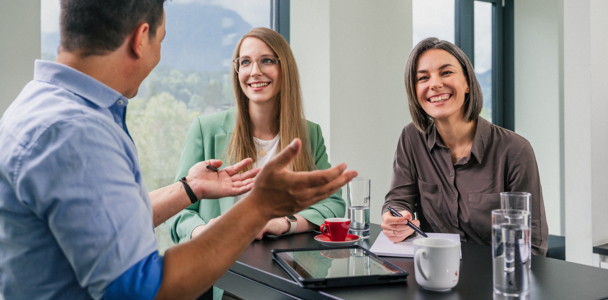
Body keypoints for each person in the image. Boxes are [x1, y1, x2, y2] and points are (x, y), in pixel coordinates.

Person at [0, 1, 357, 300]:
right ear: (142, 38)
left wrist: (190, 188)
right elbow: (142, 290)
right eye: (162, 40)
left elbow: (105, 222)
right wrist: (259, 206)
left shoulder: (42, 107)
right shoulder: (76, 131)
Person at [166, 27, 344, 245]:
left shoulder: (309, 134)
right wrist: (202, 232)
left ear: (284, 67)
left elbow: (333, 203)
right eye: (245, 62)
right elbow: (175, 209)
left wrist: (284, 223)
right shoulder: (206, 129)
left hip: (286, 268)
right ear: (237, 71)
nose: (255, 71)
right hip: (220, 270)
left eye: (267, 61)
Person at [380, 37, 548, 256]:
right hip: (433, 274)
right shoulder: (411, 137)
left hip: (494, 281)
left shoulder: (515, 150)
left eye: (446, 72)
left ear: (468, 83)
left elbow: (532, 245)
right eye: (423, 78)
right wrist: (397, 219)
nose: (435, 84)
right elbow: (398, 199)